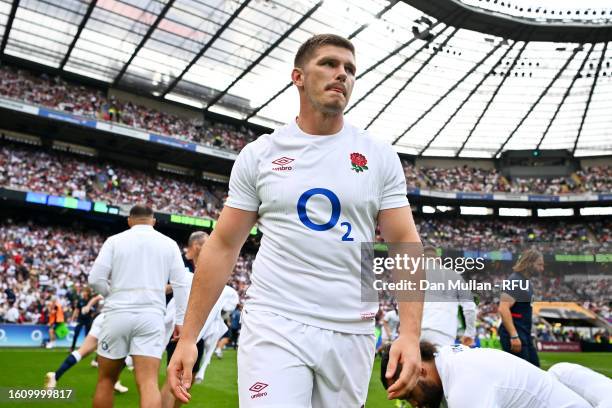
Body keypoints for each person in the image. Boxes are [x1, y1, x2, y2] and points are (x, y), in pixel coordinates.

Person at [167, 33, 423, 406]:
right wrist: (189, 337)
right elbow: (223, 245)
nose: (342, 75)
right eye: (329, 64)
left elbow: (405, 244)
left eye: (350, 69)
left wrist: (410, 334)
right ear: (298, 77)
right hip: (275, 320)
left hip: (352, 328)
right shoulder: (261, 155)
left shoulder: (378, 156)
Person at [88, 204, 188, 408]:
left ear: (129, 221)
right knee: (148, 383)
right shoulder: (168, 243)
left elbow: (95, 279)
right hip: (151, 317)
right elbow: (181, 284)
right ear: (153, 221)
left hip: (117, 314)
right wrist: (180, 320)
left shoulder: (114, 241)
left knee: (106, 381)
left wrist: (112, 294)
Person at [381, 342, 592, 407]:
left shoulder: (463, 388)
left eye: (409, 394)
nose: (414, 405)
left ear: (420, 370)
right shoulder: (446, 358)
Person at [160, 231, 238, 408]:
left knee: (189, 378)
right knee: (174, 377)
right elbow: (158, 287)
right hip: (178, 328)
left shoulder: (204, 267)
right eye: (208, 245)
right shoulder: (177, 263)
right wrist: (181, 284)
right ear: (196, 246)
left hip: (199, 331)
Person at [44, 313, 129, 393]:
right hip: (119, 320)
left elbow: (97, 297)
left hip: (103, 317)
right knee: (127, 353)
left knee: (82, 351)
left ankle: (55, 375)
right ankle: (113, 381)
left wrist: (88, 306)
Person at [420, 246, 476, 348]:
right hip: (444, 330)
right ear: (438, 259)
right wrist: (469, 333)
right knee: (441, 363)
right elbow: (470, 307)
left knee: (416, 363)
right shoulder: (454, 276)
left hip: (417, 330)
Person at [498, 248, 543, 366]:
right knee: (523, 377)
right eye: (539, 264)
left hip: (524, 335)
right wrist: (514, 336)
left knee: (535, 371)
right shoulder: (515, 280)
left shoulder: (525, 282)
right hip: (515, 335)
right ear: (529, 263)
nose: (542, 269)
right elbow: (503, 308)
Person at [70, 287, 102, 351]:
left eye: (85, 292)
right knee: (76, 333)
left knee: (87, 335)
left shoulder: (91, 300)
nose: (83, 293)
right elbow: (77, 309)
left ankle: (87, 348)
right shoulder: (80, 300)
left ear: (88, 292)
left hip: (88, 319)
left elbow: (95, 310)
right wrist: (73, 317)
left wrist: (92, 312)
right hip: (80, 319)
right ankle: (72, 348)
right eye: (83, 292)